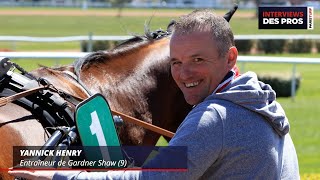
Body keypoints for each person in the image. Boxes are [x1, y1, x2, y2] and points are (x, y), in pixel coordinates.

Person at [9, 9, 299, 180]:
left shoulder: (215, 118)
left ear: (230, 57)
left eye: (198, 60)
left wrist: (60, 175)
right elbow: (189, 156)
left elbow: (152, 178)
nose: (184, 75)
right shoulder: (261, 102)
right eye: (176, 62)